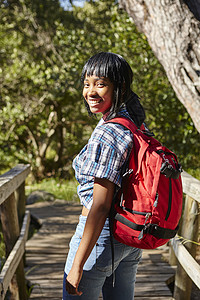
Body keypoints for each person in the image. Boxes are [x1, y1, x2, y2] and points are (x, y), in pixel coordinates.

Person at [63, 52, 146, 300]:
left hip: (101, 238)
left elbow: (100, 205)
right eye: (86, 84)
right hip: (128, 238)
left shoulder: (108, 133)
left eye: (100, 84)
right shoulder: (134, 123)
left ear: (118, 87)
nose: (90, 91)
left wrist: (77, 266)